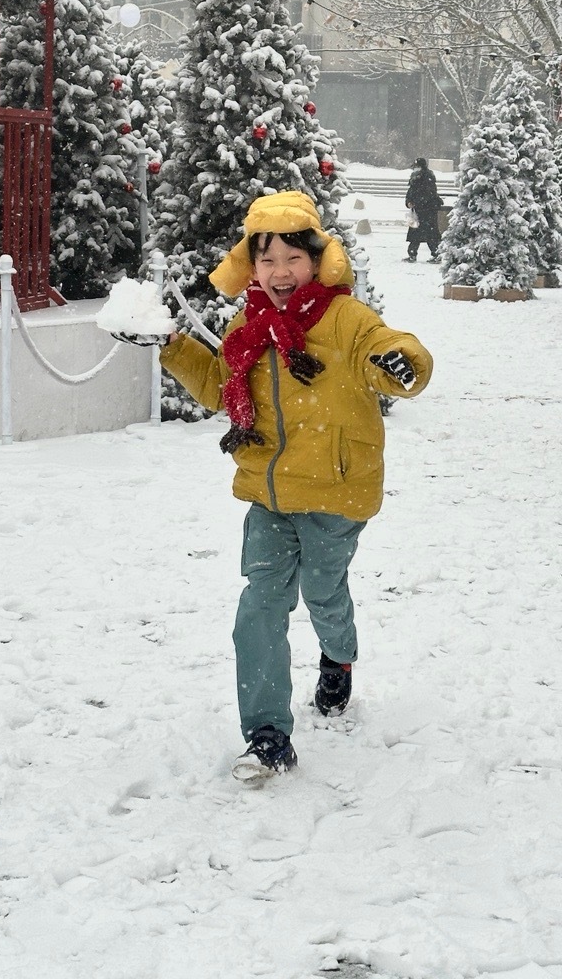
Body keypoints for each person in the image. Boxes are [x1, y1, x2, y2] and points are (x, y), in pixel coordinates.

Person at [158, 191, 432, 783]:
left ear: (317, 259)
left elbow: (384, 347)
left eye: (292, 258)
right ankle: (266, 735)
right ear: (250, 266)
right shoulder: (248, 325)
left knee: (323, 592)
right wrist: (170, 347)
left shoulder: (346, 320)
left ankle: (338, 656)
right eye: (266, 260)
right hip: (268, 491)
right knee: (260, 604)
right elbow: (218, 386)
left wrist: (402, 364)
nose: (280, 272)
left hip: (335, 490)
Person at [405, 157, 443, 263]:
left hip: (427, 210)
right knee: (416, 233)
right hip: (419, 210)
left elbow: (428, 194)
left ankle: (435, 254)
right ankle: (413, 254)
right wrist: (409, 201)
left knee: (430, 234)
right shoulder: (415, 177)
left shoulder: (427, 177)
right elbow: (411, 191)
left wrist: (416, 202)